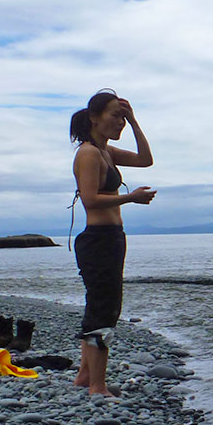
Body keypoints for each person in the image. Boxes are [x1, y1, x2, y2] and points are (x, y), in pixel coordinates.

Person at [69, 89, 156, 397]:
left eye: (121, 117)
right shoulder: (89, 153)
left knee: (100, 306)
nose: (119, 122)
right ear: (94, 118)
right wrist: (131, 197)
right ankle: (97, 386)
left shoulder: (106, 152)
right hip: (98, 240)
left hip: (111, 238)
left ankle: (84, 377)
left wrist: (134, 120)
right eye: (115, 116)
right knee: (104, 311)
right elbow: (91, 200)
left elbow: (146, 160)